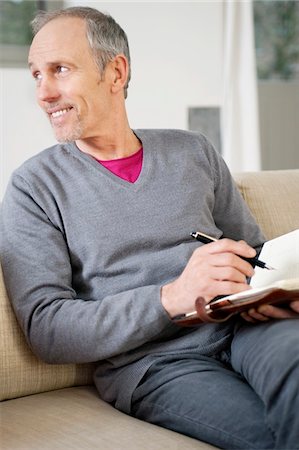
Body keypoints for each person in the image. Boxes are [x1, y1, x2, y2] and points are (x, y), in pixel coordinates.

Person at [0, 6, 298, 449]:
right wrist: (170, 298)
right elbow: (47, 328)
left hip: (245, 328)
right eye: (36, 75)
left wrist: (264, 290)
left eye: (59, 69)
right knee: (272, 436)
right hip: (154, 365)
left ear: (115, 72)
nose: (43, 92)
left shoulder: (193, 151)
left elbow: (253, 250)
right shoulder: (33, 187)